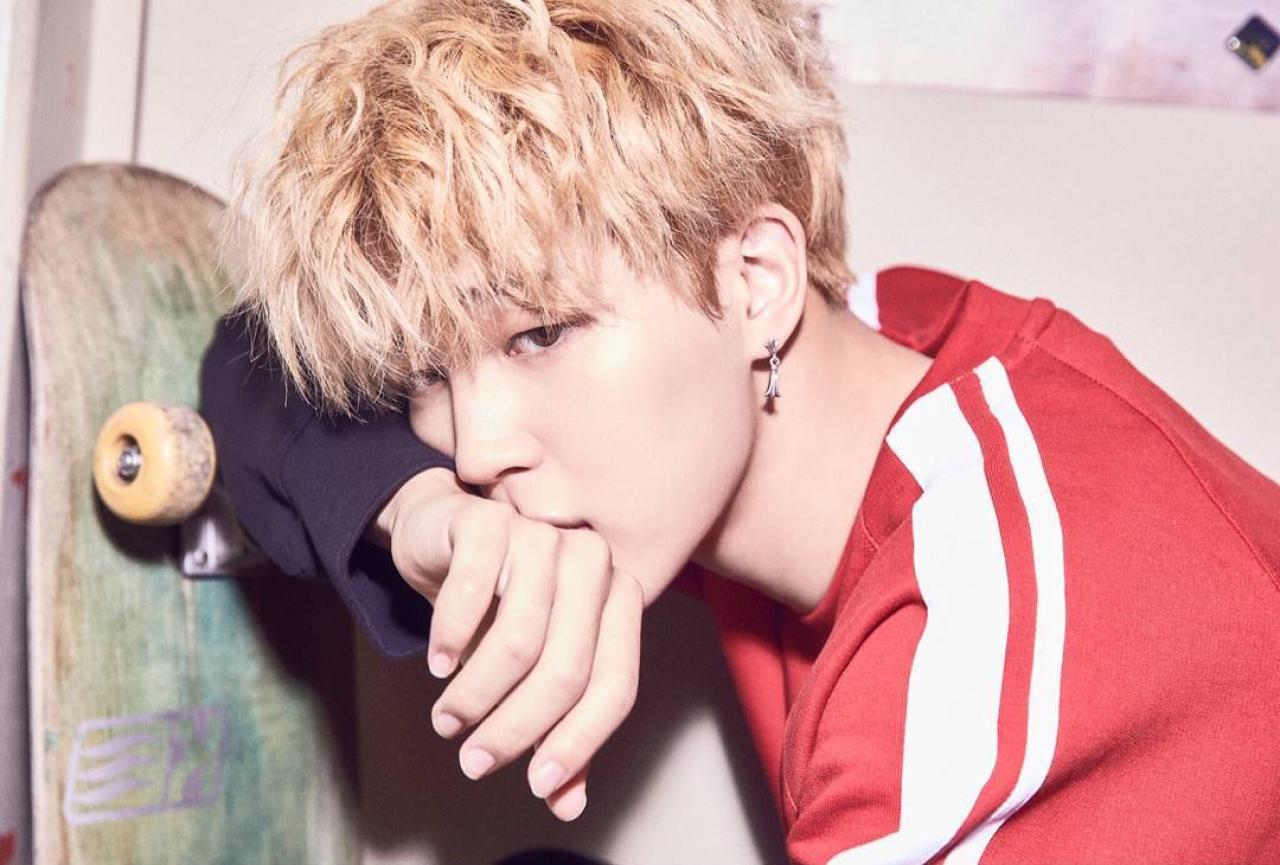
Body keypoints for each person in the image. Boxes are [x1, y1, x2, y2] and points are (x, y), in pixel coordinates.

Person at [204, 0, 1280, 862]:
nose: (477, 450)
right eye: (424, 373)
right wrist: (415, 506)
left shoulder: (997, 659)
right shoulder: (885, 343)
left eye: (539, 334)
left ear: (755, 280)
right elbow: (253, 367)